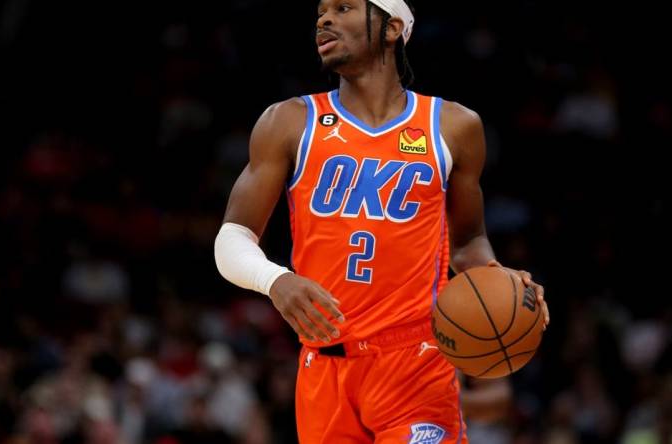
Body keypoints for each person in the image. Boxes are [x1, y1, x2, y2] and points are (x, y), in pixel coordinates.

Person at [214, 0, 550, 442]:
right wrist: (275, 280)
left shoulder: (453, 126)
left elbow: (468, 241)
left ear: (391, 28)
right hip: (324, 366)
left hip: (415, 362)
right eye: (321, 11)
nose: (324, 19)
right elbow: (231, 240)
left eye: (344, 7)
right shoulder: (289, 122)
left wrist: (498, 279)